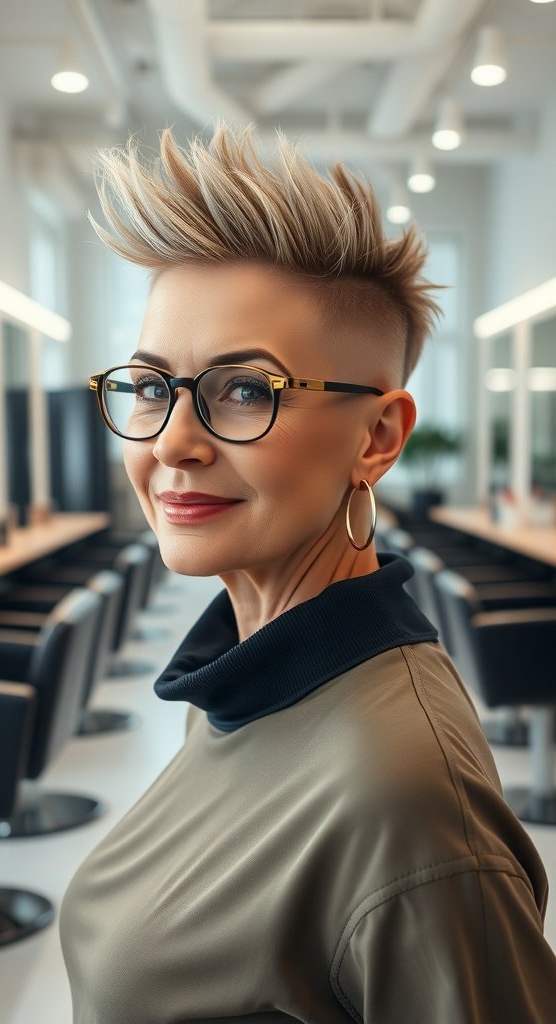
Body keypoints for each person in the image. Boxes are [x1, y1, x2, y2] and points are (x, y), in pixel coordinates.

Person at [60, 124, 556, 1023]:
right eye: (152, 386)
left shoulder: (406, 801)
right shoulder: (246, 673)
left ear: (378, 437)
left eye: (246, 390)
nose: (172, 443)